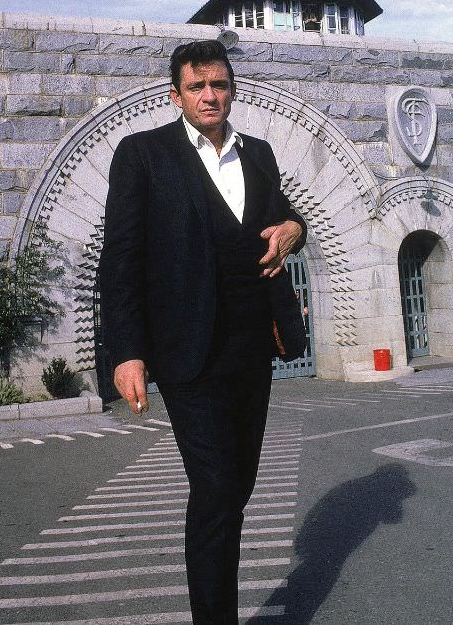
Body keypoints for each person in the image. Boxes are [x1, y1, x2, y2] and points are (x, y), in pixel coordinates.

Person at [98, 39, 307, 625]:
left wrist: (294, 227)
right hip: (186, 352)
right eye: (197, 87)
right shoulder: (142, 155)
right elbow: (121, 259)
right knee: (216, 489)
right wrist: (128, 353)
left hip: (251, 348)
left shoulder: (258, 154)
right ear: (177, 95)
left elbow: (290, 216)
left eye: (218, 84)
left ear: (231, 89)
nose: (209, 96)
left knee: (237, 488)